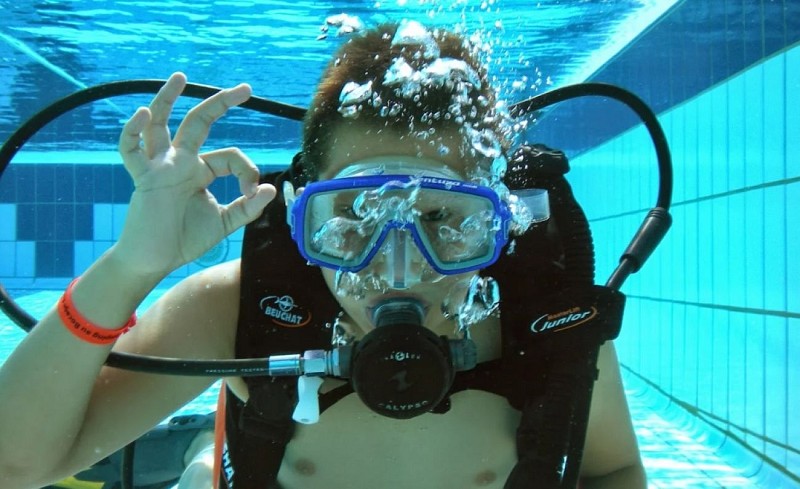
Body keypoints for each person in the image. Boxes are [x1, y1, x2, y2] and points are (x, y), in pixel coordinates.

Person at [0, 21, 645, 489]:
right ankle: (201, 451)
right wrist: (130, 267)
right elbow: (14, 465)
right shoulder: (238, 306)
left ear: (498, 222)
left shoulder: (548, 321)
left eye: (442, 218)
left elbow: (614, 470)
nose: (397, 264)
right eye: (356, 216)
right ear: (302, 215)